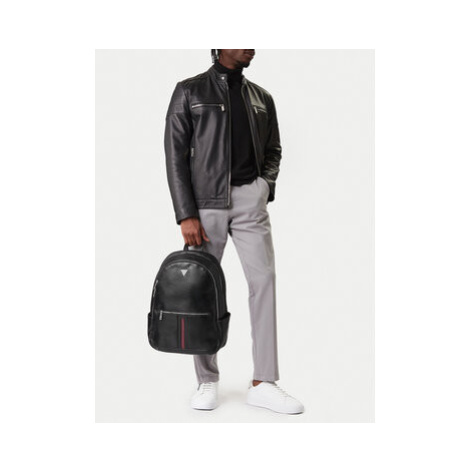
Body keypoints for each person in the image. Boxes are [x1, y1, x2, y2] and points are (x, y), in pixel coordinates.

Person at [164, 49, 304, 414]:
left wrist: (263, 186)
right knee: (201, 290)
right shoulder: (189, 91)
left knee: (264, 282)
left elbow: (273, 149)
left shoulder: (261, 97)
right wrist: (185, 213)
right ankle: (206, 379)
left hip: (249, 202)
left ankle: (264, 381)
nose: (250, 46)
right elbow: (175, 156)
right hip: (204, 205)